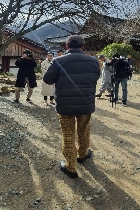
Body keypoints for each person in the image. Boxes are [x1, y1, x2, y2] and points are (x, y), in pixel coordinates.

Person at [43, 35, 100, 178]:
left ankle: (70, 166)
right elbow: (96, 77)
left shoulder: (58, 61)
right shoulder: (93, 61)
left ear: (67, 46)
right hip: (86, 102)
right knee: (84, 129)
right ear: (83, 46)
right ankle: (83, 154)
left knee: (68, 134)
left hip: (65, 104)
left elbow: (48, 80)